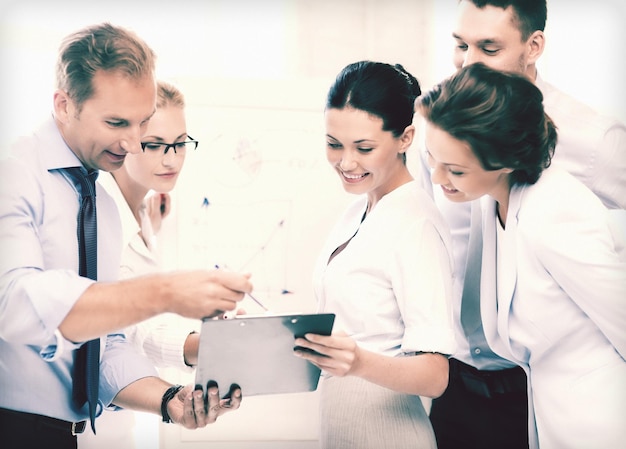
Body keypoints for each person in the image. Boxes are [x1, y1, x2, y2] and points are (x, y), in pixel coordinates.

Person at [0, 23, 251, 449]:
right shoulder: (13, 173)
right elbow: (15, 302)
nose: (134, 144)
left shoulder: (100, 201)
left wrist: (171, 400)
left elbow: (102, 344)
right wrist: (165, 292)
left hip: (64, 437)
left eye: (142, 123)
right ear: (63, 104)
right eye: (117, 122)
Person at [418, 2, 626, 448]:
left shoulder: (561, 194)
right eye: (460, 45)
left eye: (489, 47)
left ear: (533, 46)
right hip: (476, 385)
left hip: (586, 417)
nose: (469, 63)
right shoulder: (459, 144)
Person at [293, 61, 456, 449]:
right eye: (334, 144)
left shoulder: (416, 224)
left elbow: (436, 375)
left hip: (391, 431)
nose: (346, 163)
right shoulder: (358, 211)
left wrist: (359, 362)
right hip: (343, 425)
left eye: (364, 148)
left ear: (405, 138)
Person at [78, 81, 202, 448]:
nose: (172, 159)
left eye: (180, 143)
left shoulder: (144, 213)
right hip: (88, 428)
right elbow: (125, 334)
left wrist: (153, 228)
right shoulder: (97, 219)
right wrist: (201, 345)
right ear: (126, 142)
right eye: (154, 145)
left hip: (119, 423)